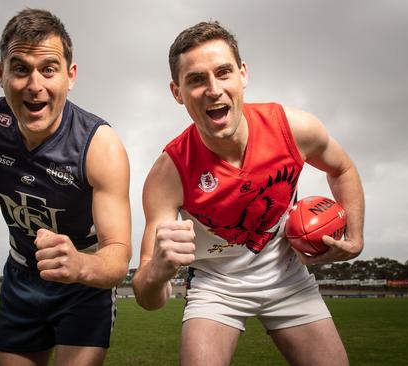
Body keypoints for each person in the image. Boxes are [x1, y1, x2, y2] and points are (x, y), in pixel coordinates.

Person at [132, 21, 364, 366]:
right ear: (176, 92)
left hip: (288, 276)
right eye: (196, 79)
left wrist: (355, 237)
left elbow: (341, 168)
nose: (214, 89)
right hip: (215, 286)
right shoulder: (169, 173)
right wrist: (159, 271)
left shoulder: (293, 128)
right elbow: (147, 297)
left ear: (243, 74)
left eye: (223, 73)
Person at [0, 8, 131, 366]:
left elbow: (118, 256)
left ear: (70, 76)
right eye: (21, 69)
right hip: (21, 275)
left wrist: (80, 266)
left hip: (84, 286)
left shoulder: (100, 145)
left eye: (48, 69)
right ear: (0, 73)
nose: (35, 85)